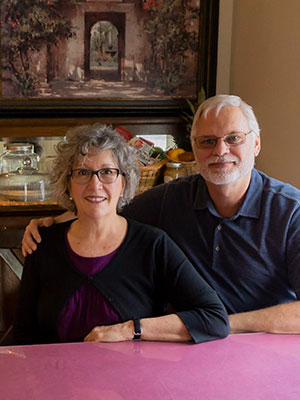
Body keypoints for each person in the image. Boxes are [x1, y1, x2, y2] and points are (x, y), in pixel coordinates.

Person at [22, 95, 300, 335]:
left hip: (261, 348)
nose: (220, 151)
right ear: (194, 150)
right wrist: (48, 224)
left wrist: (222, 325)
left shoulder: (290, 211)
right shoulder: (172, 198)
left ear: (256, 144)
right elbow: (106, 204)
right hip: (186, 350)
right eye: (207, 141)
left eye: (233, 138)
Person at [13, 124, 229, 345]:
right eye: (83, 173)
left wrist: (132, 329)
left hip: (132, 376)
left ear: (123, 182)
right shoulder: (42, 243)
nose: (95, 185)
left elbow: (214, 318)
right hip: (56, 375)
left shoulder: (152, 245)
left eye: (107, 172)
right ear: (67, 184)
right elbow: (22, 335)